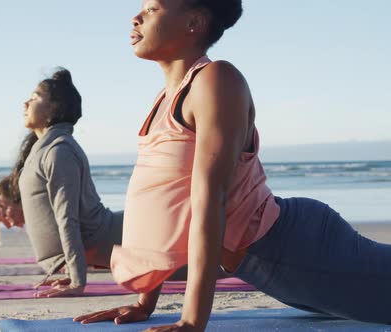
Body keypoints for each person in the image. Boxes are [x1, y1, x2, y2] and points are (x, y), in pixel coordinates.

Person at [74, 0, 391, 330]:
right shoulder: (164, 100)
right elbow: (163, 206)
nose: (136, 17)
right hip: (274, 268)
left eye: (152, 8)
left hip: (298, 250)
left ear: (194, 22)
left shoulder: (216, 80)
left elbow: (210, 199)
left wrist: (193, 320)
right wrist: (145, 302)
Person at [11, 68, 124, 297]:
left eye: (34, 97)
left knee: (211, 266)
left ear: (55, 107)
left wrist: (77, 281)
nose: (25, 103)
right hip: (112, 238)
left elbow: (67, 217)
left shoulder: (59, 151)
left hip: (125, 236)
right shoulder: (43, 149)